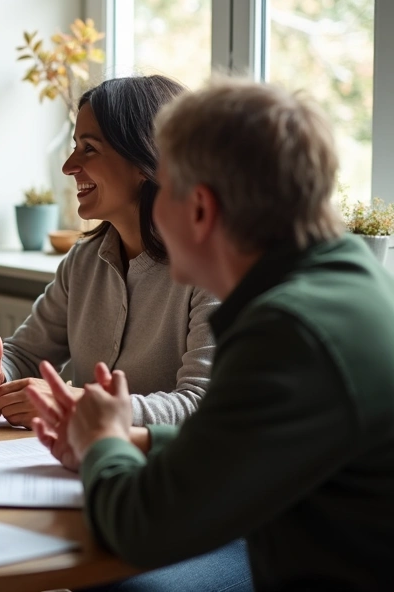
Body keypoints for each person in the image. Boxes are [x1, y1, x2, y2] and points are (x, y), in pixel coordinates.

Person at [30, 79, 394, 590]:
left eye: (162, 190)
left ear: (199, 209)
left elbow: (140, 529)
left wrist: (99, 445)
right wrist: (134, 439)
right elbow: (249, 440)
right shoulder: (346, 282)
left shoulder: (289, 332)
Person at [0, 75, 217, 427]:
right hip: (83, 461)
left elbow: (200, 404)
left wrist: (80, 403)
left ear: (145, 160)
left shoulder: (210, 269)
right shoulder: (83, 261)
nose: (68, 166)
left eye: (88, 148)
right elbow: (23, 353)